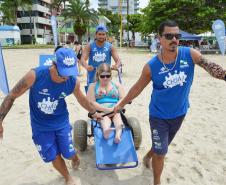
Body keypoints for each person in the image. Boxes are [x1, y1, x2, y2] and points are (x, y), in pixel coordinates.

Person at [114, 20, 226, 185]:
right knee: (161, 153)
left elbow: (212, 68)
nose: (174, 39)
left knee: (162, 146)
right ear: (160, 38)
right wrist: (121, 104)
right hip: (158, 116)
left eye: (177, 35)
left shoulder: (190, 54)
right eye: (169, 36)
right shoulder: (151, 66)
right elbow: (137, 88)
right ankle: (157, 182)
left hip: (180, 113)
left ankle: (147, 156)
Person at [0, 47, 102, 185]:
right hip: (40, 126)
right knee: (53, 155)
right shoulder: (35, 75)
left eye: (69, 73)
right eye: (62, 74)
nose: (65, 78)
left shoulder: (73, 81)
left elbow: (82, 100)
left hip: (61, 122)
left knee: (68, 152)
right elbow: (12, 96)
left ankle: (75, 158)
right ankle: (67, 177)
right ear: (54, 65)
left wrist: (94, 112)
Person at [87, 63, 125, 143]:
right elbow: (91, 102)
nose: (105, 78)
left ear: (111, 75)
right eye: (102, 76)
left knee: (118, 119)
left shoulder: (117, 85)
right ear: (98, 75)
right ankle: (106, 132)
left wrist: (116, 107)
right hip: (101, 112)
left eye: (107, 76)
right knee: (105, 119)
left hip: (115, 110)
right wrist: (106, 109)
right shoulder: (93, 86)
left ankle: (118, 135)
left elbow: (123, 99)